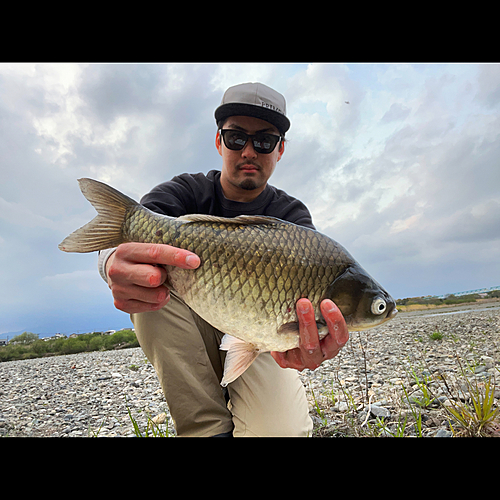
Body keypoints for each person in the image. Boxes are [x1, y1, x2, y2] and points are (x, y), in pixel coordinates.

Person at [97, 82, 349, 437]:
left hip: (263, 336)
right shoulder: (184, 192)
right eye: (236, 138)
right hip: (188, 323)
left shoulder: (291, 216)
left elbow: (309, 312)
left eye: (264, 141)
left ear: (280, 151)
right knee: (148, 277)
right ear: (219, 142)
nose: (249, 150)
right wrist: (109, 264)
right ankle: (206, 429)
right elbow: (121, 246)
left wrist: (304, 345)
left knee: (280, 430)